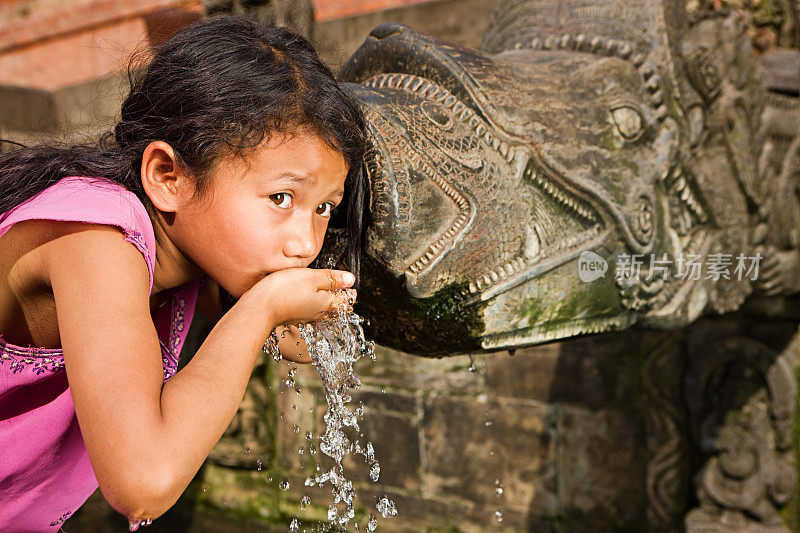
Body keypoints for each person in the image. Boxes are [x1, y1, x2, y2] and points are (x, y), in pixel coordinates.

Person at [0, 16, 367, 531]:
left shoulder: (195, 255)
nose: (304, 243)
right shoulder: (94, 240)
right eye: (280, 198)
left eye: (324, 207)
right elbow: (142, 484)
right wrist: (260, 312)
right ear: (168, 177)